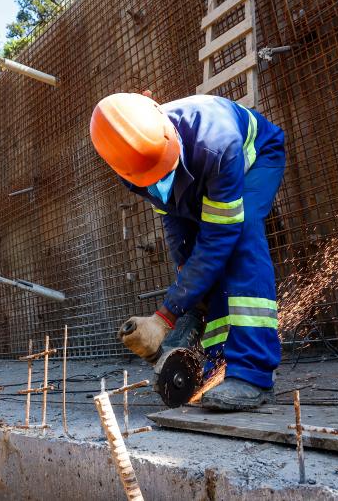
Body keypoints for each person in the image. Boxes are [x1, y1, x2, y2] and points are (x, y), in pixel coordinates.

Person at [89, 92, 285, 410]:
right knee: (194, 257)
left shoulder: (217, 141)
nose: (159, 178)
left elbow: (222, 236)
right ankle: (217, 365)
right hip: (195, 178)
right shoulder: (131, 160)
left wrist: (168, 313)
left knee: (242, 238)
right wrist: (189, 291)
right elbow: (175, 224)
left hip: (256, 159)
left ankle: (252, 374)